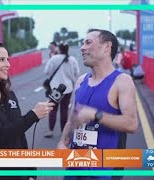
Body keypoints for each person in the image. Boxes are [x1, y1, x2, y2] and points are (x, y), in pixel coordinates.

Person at [57, 29, 138, 180]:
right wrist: (63, 142)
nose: (82, 47)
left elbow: (132, 124)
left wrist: (96, 114)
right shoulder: (81, 80)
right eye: (82, 43)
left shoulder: (122, 81)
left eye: (88, 42)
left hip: (103, 171)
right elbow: (71, 120)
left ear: (107, 47)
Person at [0, 42, 55, 180]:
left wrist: (31, 171)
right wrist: (33, 115)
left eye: (7, 59)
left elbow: (19, 135)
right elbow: (2, 134)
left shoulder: (9, 95)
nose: (8, 64)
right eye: (1, 60)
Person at [44, 43, 80, 138]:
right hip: (67, 88)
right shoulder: (72, 60)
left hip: (56, 88)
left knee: (53, 109)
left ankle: (51, 131)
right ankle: (63, 131)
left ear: (59, 49)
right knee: (64, 110)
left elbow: (46, 71)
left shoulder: (54, 58)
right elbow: (77, 72)